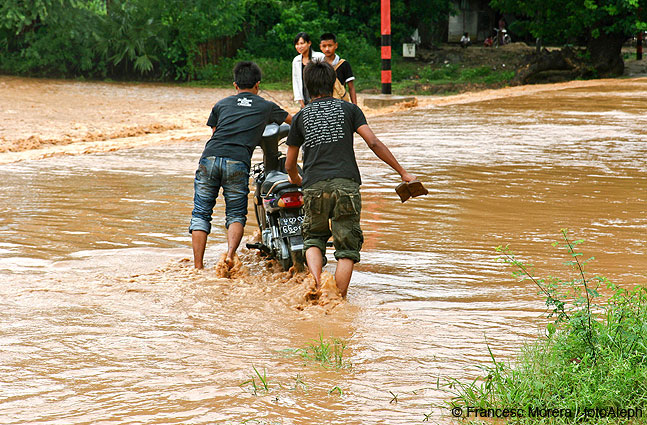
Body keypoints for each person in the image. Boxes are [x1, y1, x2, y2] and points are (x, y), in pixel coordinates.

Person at [284, 61, 416, 297]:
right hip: (346, 184)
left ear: (307, 87)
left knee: (313, 238)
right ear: (333, 83)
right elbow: (373, 143)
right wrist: (402, 172)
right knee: (347, 248)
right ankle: (336, 298)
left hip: (313, 184)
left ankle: (315, 283)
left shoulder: (300, 117)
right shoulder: (350, 110)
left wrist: (297, 180)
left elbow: (289, 164)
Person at [190, 61, 292, 269]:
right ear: (258, 85)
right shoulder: (266, 106)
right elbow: (295, 122)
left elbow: (216, 133)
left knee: (201, 213)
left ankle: (198, 267)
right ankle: (229, 256)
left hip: (209, 159)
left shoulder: (221, 104)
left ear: (235, 85)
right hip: (237, 161)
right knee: (235, 214)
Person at [319, 32, 357, 104]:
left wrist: (355, 106)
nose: (327, 49)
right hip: (323, 104)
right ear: (320, 47)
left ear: (336, 45)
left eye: (330, 45)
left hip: (341, 102)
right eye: (324, 46)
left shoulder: (344, 64)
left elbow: (351, 87)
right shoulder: (319, 65)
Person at [292, 32, 325, 109]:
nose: (299, 46)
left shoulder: (319, 57)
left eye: (302, 43)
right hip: (304, 98)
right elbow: (295, 81)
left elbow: (325, 78)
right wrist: (300, 101)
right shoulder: (296, 60)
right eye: (297, 44)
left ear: (309, 43)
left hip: (319, 97)